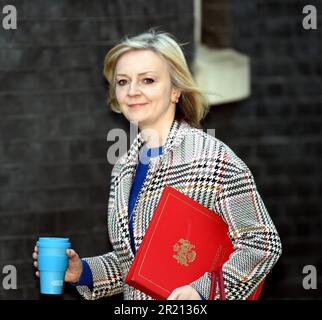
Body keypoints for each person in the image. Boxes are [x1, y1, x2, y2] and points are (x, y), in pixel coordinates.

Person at [33, 30, 282, 300]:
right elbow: (135, 263)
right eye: (123, 81)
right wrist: (83, 271)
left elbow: (263, 245)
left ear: (175, 90)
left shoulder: (212, 157)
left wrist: (201, 292)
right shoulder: (124, 168)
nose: (132, 91)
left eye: (148, 80)